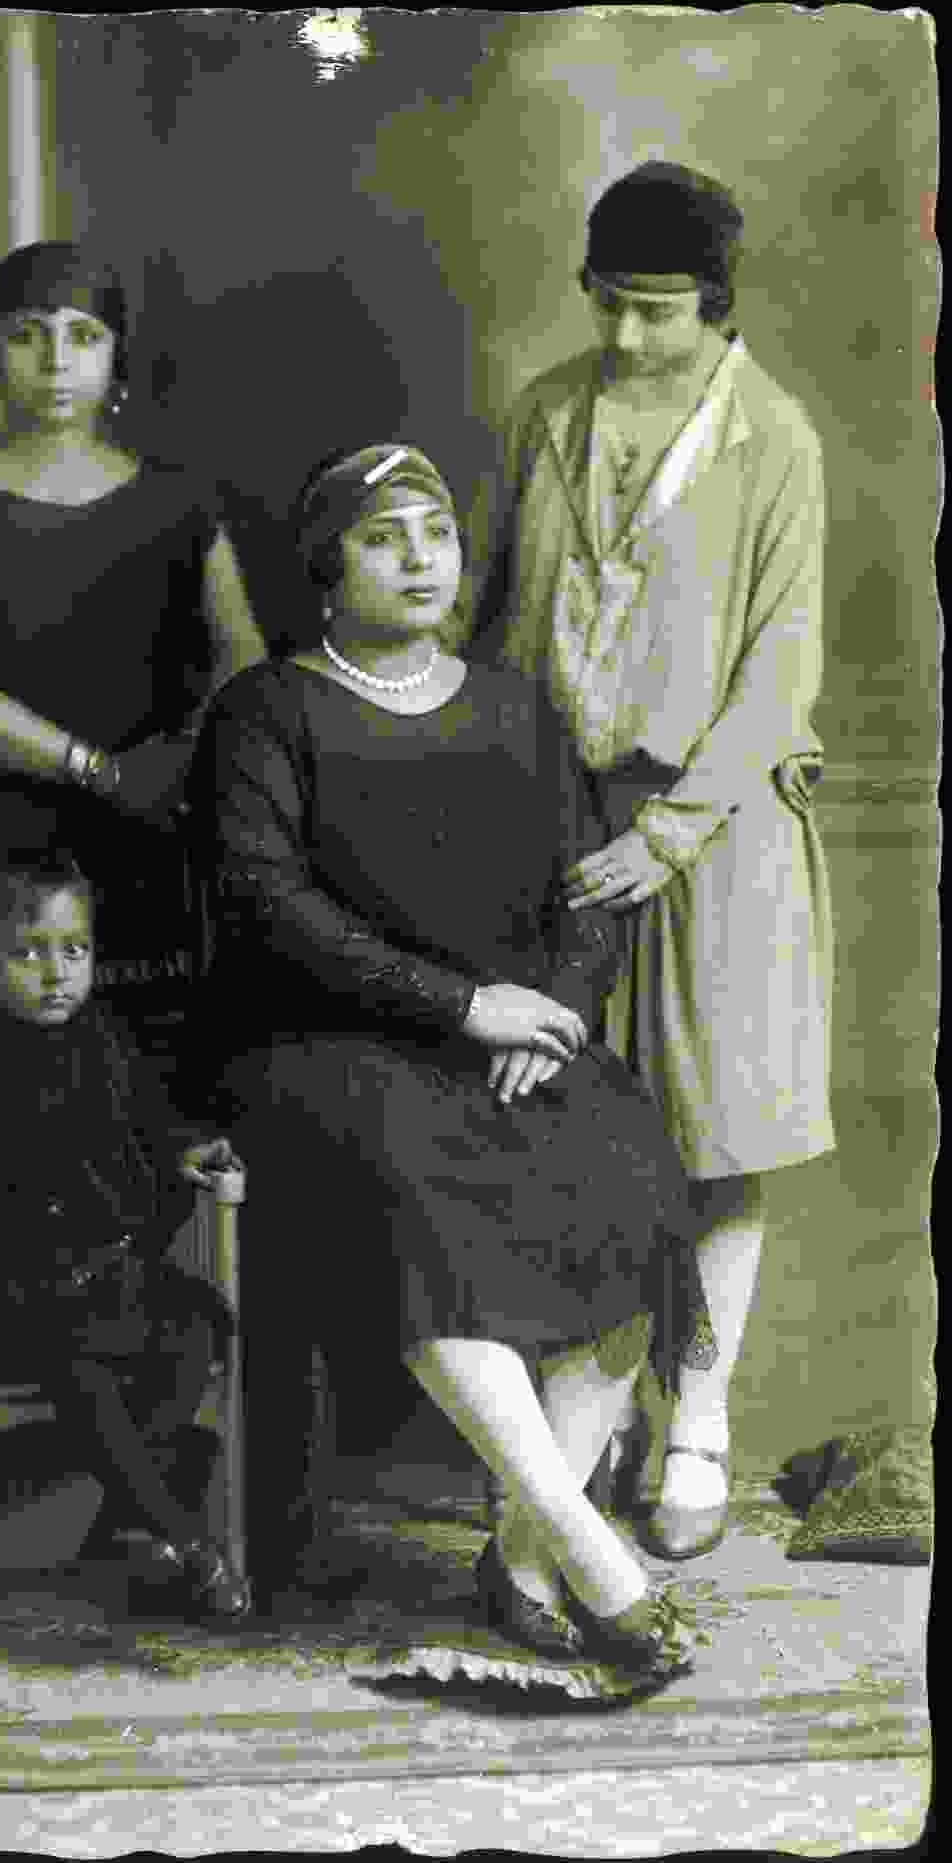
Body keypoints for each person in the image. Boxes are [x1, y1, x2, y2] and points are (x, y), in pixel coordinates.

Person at [184, 442, 717, 1679]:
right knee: (423, 1205)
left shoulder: (516, 708)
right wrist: (464, 1005)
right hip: (319, 1046)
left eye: (435, 534)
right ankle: (599, 1565)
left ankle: (524, 1559)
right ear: (327, 568)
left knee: (629, 1180)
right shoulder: (268, 712)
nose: (420, 559)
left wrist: (556, 1015)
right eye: (383, 539)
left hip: (511, 1038)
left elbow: (587, 895)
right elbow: (270, 906)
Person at [467, 162, 835, 1560]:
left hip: (712, 827)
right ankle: (592, 1416)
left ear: (717, 303)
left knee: (715, 1136)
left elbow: (780, 665)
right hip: (556, 819)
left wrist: (669, 837)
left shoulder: (772, 438)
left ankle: (701, 1425)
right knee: (569, 1123)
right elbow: (488, 604)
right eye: (609, 303)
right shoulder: (548, 412)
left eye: (659, 311)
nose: (626, 336)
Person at [0, 846, 251, 1622]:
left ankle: (121, 1513)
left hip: (111, 1282)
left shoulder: (104, 1040)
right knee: (82, 1369)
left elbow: (146, 1124)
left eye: (74, 949)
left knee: (200, 1323)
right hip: (2, 1295)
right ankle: (185, 1538)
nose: (56, 972)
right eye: (29, 952)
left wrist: (182, 1150)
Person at [0, 239, 265, 1039]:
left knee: (142, 1085)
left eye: (83, 337)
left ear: (118, 359)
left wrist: (172, 763)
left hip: (142, 835)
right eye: (28, 334)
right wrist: (97, 769)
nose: (56, 360)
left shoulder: (183, 506)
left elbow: (243, 664)